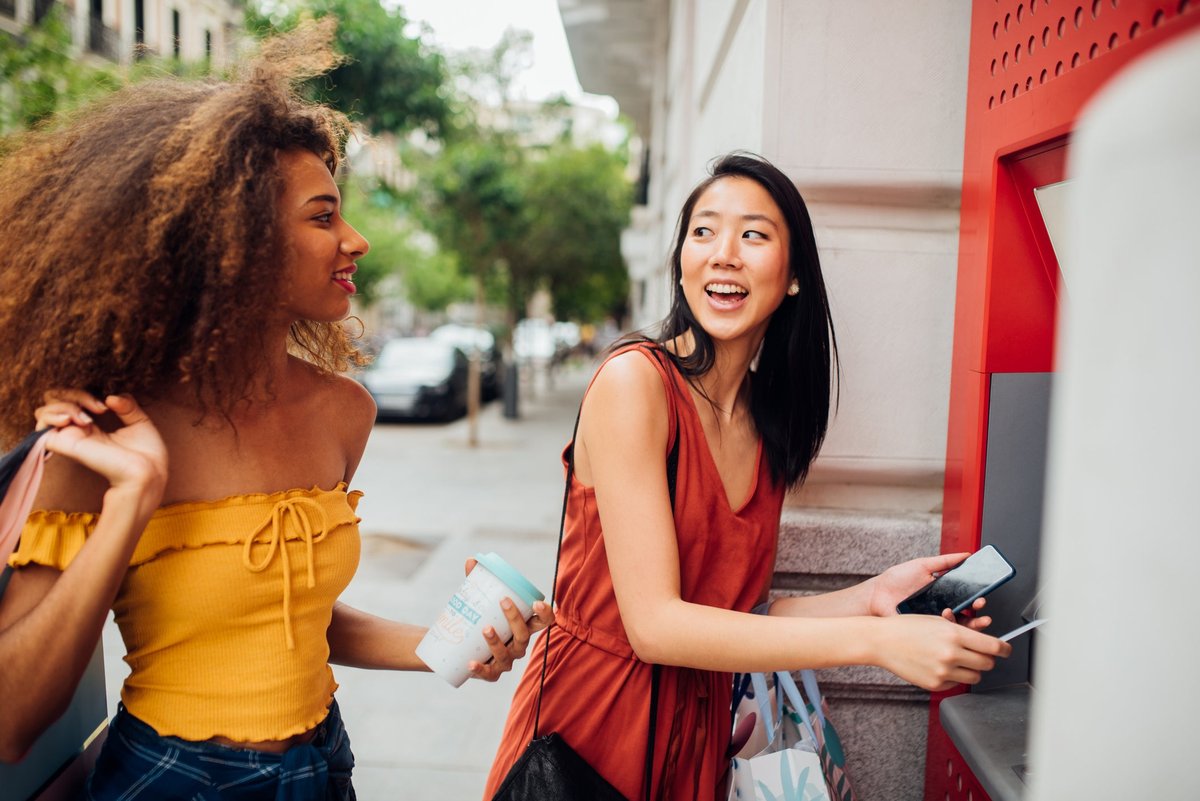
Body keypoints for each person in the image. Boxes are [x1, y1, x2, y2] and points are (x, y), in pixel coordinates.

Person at [0, 21, 552, 798]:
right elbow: (14, 717)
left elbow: (292, 621)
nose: (355, 239)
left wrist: (441, 646)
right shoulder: (107, 433)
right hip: (171, 777)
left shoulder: (342, 412)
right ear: (234, 237)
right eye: (323, 216)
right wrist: (132, 501)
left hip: (323, 768)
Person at [484, 153, 1011, 801]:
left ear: (792, 277)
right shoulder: (634, 383)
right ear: (681, 261)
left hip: (699, 735)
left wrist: (873, 596)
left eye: (753, 234)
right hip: (588, 730)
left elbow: (737, 614)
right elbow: (656, 625)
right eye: (703, 231)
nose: (723, 253)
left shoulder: (767, 423)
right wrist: (875, 640)